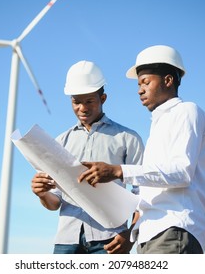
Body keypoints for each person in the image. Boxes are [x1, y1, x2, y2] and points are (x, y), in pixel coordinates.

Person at [78, 45, 205, 254]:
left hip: (174, 229)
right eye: (139, 84)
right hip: (151, 235)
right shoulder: (158, 125)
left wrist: (118, 171)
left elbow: (181, 172)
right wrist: (132, 232)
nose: (140, 89)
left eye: (146, 82)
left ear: (168, 80)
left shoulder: (187, 111)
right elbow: (149, 190)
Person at [31, 60, 144, 254]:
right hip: (67, 240)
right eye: (76, 101)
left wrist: (131, 235)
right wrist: (42, 193)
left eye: (89, 101)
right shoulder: (60, 142)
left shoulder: (128, 138)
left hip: (110, 240)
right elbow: (55, 202)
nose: (82, 108)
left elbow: (143, 193)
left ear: (103, 98)